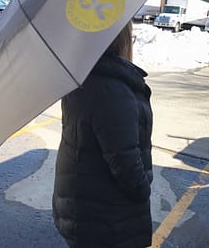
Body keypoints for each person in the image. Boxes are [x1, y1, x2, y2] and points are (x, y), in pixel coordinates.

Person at [52, 21, 153, 248]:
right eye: (131, 38)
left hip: (85, 204)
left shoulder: (83, 76)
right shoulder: (111, 90)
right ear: (121, 41)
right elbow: (124, 160)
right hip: (107, 215)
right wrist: (143, 190)